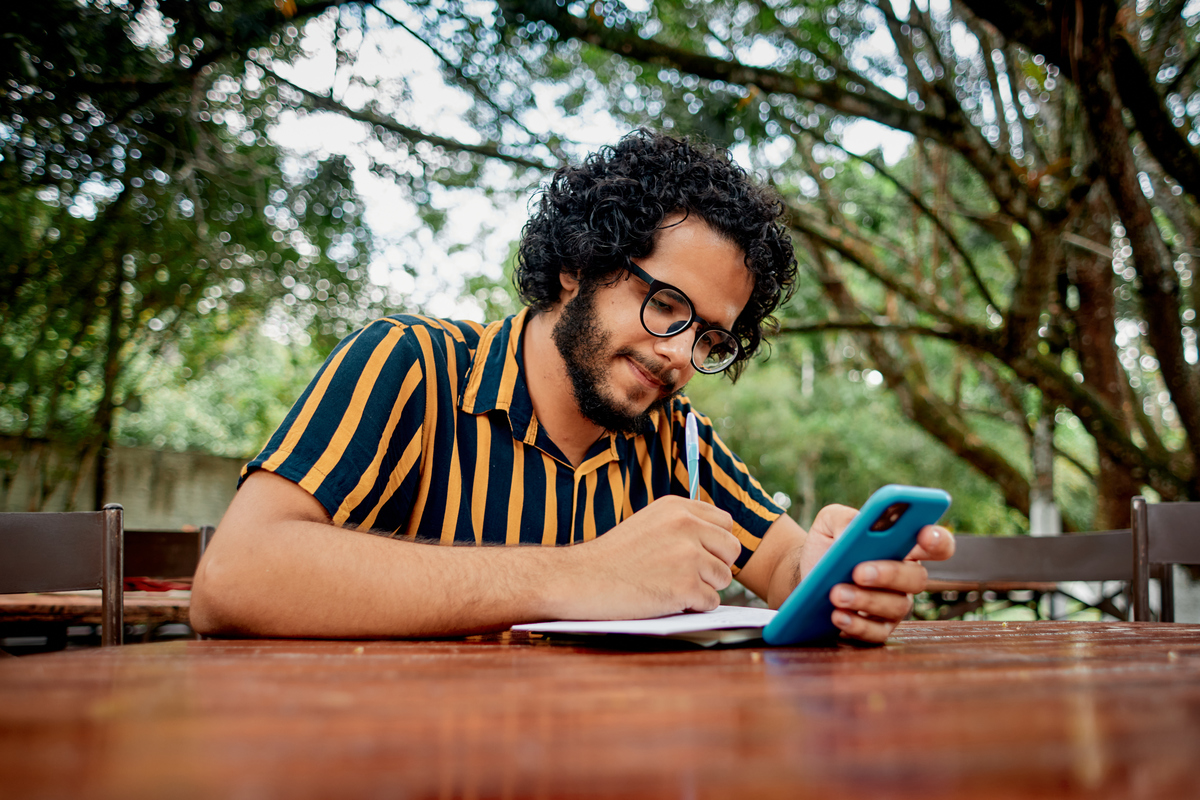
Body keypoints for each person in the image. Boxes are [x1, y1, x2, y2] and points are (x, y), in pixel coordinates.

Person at [190, 129, 954, 642]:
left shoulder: (677, 440)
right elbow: (236, 577)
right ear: (577, 264)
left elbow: (786, 566)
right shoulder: (414, 366)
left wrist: (834, 574)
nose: (679, 355)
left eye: (709, 337)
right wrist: (583, 575)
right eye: (665, 304)